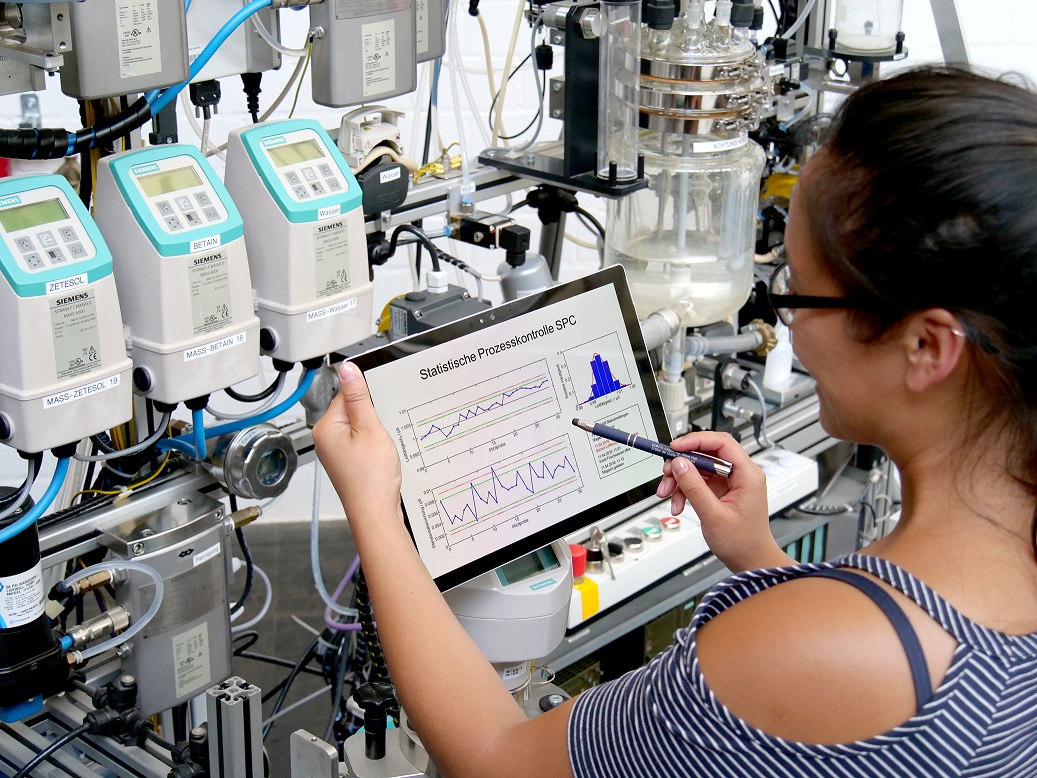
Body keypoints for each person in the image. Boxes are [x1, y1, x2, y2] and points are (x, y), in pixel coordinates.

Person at [314, 66, 1037, 777]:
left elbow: (499, 762)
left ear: (926, 346)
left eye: (797, 296)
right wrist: (763, 563)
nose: (787, 328)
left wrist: (375, 512)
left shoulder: (799, 648)